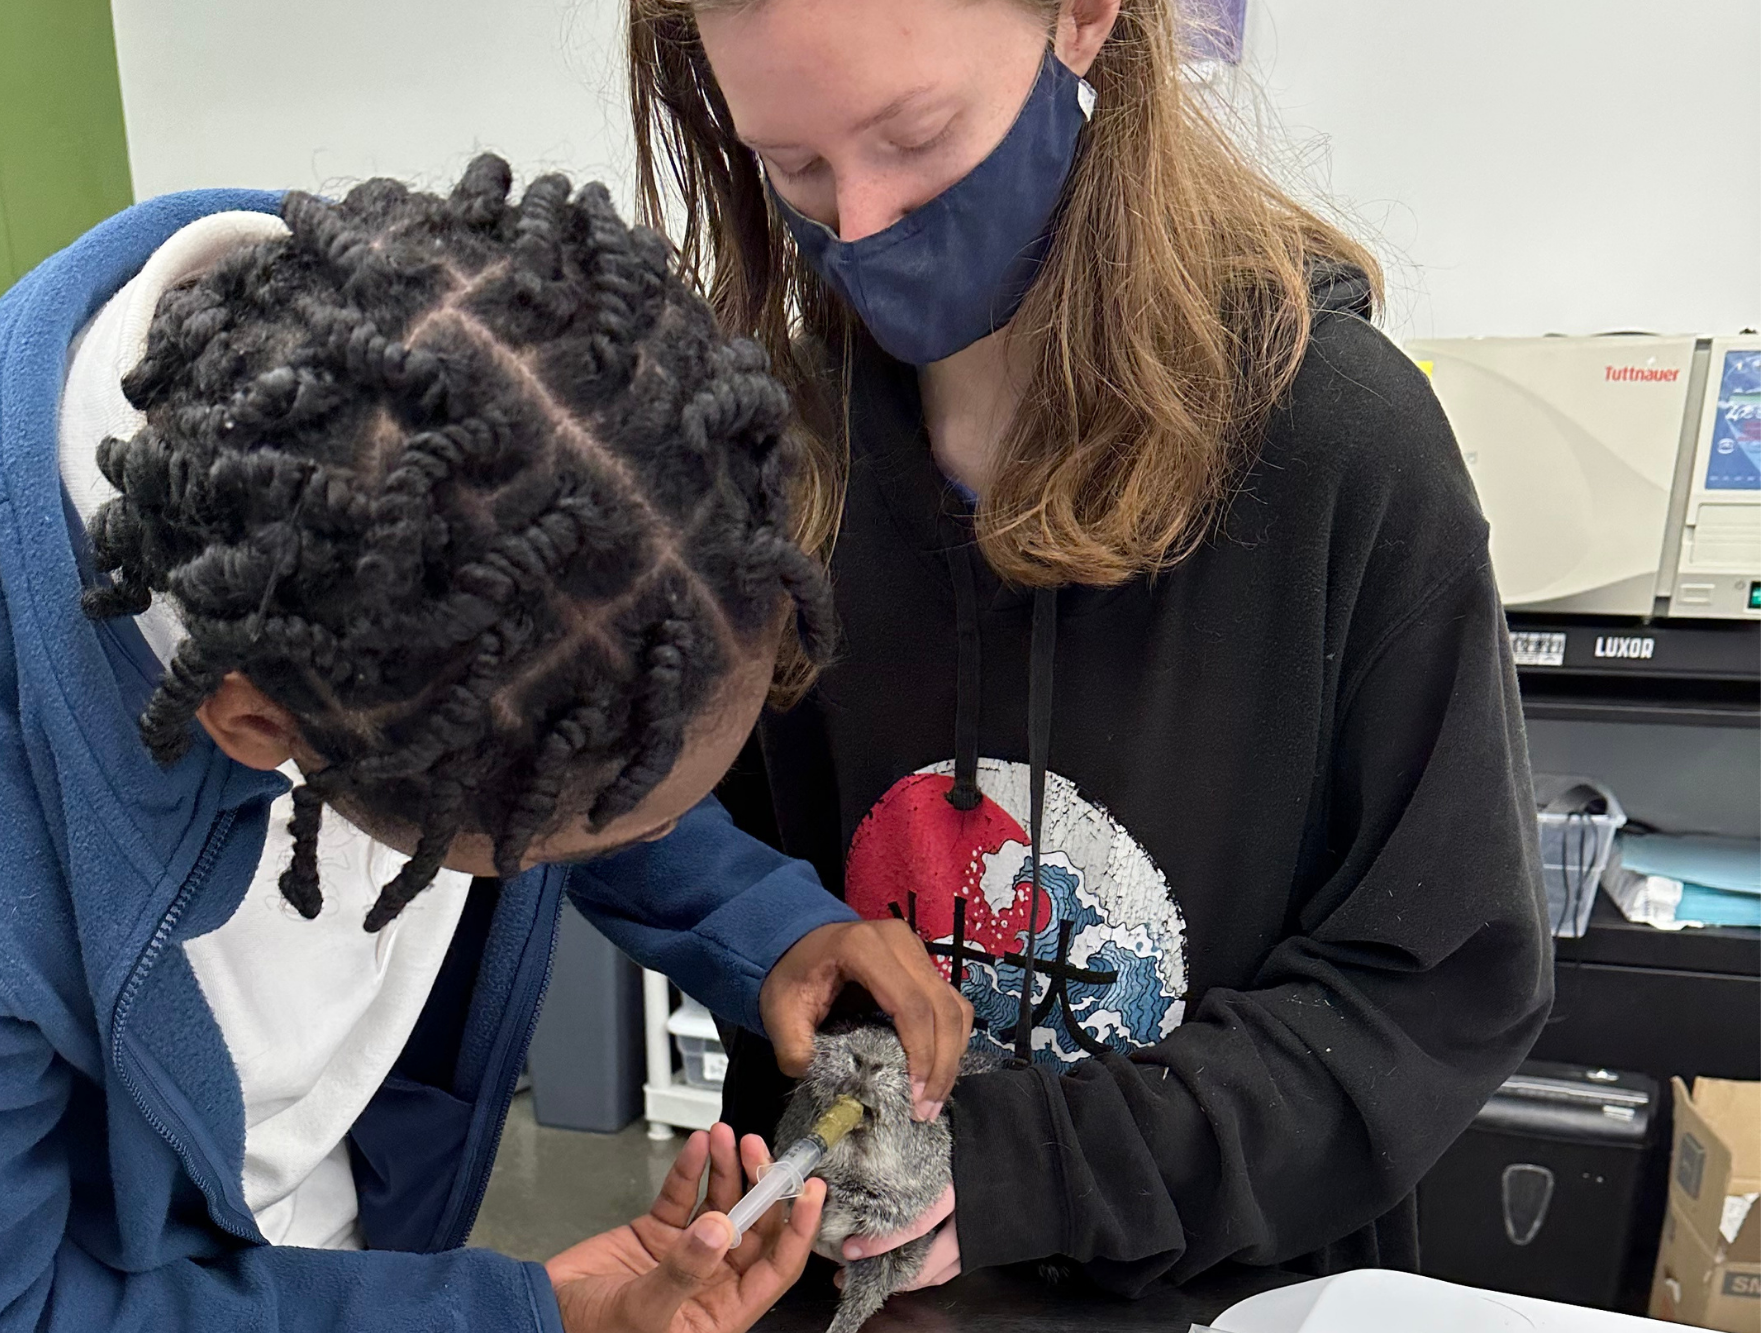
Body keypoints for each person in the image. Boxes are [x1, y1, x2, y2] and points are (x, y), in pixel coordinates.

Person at [0, 160, 972, 1333]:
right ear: (254, 727)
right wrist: (513, 1316)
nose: (657, 839)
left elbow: (587, 709)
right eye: (607, 826)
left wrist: (762, 921)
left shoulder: (405, 381)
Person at [629, 0, 1551, 1296]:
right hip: (849, 1282)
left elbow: (1429, 995)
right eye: (797, 169)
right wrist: (770, 936)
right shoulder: (776, 460)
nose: (865, 225)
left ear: (1081, 18)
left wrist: (1024, 1169)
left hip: (1223, 1296)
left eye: (918, 133)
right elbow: (658, 831)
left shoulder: (1347, 454)